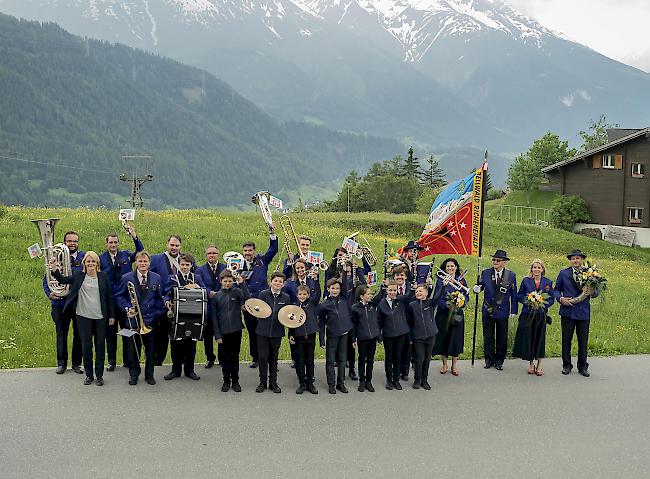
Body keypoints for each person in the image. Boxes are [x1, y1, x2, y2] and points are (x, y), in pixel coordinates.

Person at [49, 252, 115, 386]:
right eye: (88, 261)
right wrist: (54, 268)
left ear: (97, 263)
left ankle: (99, 376)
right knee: (86, 347)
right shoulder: (79, 276)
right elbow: (63, 280)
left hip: (100, 317)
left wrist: (112, 316)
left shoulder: (103, 277)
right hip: (83, 316)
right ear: (84, 263)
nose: (90, 264)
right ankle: (89, 376)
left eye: (93, 261)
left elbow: (109, 297)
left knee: (100, 347)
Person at [117, 251, 166, 386]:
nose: (142, 264)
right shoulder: (127, 278)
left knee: (150, 350)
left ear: (149, 263)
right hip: (133, 320)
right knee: (133, 349)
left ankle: (149, 375)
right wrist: (127, 308)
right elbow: (119, 296)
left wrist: (156, 313)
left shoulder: (156, 278)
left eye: (145, 261)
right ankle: (134, 374)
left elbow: (160, 299)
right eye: (140, 261)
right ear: (136, 263)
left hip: (149, 320)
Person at [99, 226, 144, 371]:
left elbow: (140, 252)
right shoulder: (101, 258)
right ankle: (111, 361)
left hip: (125, 300)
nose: (113, 245)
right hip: (110, 302)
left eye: (115, 242)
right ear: (106, 244)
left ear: (118, 243)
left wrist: (134, 237)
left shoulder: (126, 255)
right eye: (110, 243)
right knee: (110, 334)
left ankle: (128, 360)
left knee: (128, 332)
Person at [44, 230, 84, 374]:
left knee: (78, 334)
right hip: (59, 303)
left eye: (75, 241)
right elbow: (46, 278)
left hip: (77, 302)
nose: (72, 244)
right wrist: (50, 293)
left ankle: (76, 364)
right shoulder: (54, 256)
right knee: (61, 333)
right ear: (65, 242)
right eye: (69, 241)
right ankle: (61, 363)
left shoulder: (84, 257)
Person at [554, 250, 597, 377]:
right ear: (570, 260)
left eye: (578, 258)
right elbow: (556, 290)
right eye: (573, 258)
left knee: (583, 341)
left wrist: (592, 293)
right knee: (566, 340)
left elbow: (596, 291)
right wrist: (560, 299)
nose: (575, 260)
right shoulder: (563, 273)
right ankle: (566, 365)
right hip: (567, 312)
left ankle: (582, 366)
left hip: (583, 312)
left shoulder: (590, 273)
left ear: (582, 259)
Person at [474, 249, 518, 371]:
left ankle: (499, 361)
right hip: (488, 309)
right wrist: (476, 288)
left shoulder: (511, 275)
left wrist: (514, 311)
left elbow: (513, 294)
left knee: (501, 337)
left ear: (504, 262)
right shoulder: (486, 272)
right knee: (488, 336)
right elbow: (481, 285)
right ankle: (488, 360)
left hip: (502, 311)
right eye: (493, 259)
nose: (495, 262)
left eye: (498, 260)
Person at [164, 253, 205, 381]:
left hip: (194, 314)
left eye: (187, 265)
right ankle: (175, 370)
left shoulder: (196, 277)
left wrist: (197, 286)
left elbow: (204, 290)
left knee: (190, 343)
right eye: (182, 264)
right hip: (176, 315)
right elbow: (165, 293)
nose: (184, 267)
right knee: (175, 343)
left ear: (191, 265)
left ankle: (189, 370)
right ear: (179, 265)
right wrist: (167, 301)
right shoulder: (172, 278)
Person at [241, 229, 278, 369]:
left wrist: (272, 233)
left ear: (254, 251)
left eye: (250, 250)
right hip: (248, 305)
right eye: (245, 250)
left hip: (264, 303)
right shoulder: (237, 264)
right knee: (252, 332)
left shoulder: (262, 260)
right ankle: (255, 358)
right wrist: (241, 304)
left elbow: (273, 249)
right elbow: (236, 286)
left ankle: (268, 358)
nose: (247, 253)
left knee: (265, 331)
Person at [513, 259, 555, 376]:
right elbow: (520, 295)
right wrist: (529, 301)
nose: (536, 269)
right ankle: (531, 363)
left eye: (538, 267)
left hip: (541, 315)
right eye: (534, 267)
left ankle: (540, 364)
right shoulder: (526, 281)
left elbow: (552, 298)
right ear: (531, 269)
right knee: (529, 338)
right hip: (528, 314)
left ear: (542, 269)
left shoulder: (548, 282)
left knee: (540, 338)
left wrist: (543, 303)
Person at [211, 270, 249, 392]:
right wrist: (217, 334)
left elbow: (247, 298)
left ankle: (236, 381)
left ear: (233, 281)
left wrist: (242, 283)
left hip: (236, 330)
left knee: (234, 357)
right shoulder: (217, 296)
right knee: (225, 358)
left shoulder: (237, 292)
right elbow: (214, 318)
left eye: (230, 281)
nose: (227, 283)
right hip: (223, 333)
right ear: (221, 281)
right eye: (225, 281)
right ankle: (226, 381)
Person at [149, 234, 183, 365]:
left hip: (180, 306)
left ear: (180, 247)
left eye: (177, 245)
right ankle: (157, 364)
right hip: (161, 307)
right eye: (172, 245)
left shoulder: (185, 260)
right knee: (160, 338)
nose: (174, 248)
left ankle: (178, 366)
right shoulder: (156, 259)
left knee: (178, 337)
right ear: (167, 244)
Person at [432, 258, 468, 376]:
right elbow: (437, 296)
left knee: (455, 340)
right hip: (443, 313)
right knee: (443, 338)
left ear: (456, 267)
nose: (450, 268)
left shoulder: (461, 281)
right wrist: (448, 306)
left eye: (452, 266)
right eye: (448, 266)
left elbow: (466, 297)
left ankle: (454, 365)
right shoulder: (440, 280)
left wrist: (460, 304)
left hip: (457, 314)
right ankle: (444, 364)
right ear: (444, 268)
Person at [318, 278, 354, 394]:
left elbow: (344, 285)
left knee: (342, 360)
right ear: (328, 289)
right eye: (333, 288)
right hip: (332, 335)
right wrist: (322, 339)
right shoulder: (324, 304)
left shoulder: (344, 298)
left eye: (337, 288)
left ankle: (341, 383)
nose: (335, 290)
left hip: (344, 334)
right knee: (330, 361)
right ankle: (331, 384)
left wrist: (343, 267)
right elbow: (322, 322)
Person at [255, 272, 288, 393]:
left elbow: (287, 314)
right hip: (262, 331)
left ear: (283, 284)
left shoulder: (286, 297)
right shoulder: (263, 294)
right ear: (271, 282)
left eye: (280, 282)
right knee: (263, 358)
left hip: (277, 332)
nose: (277, 283)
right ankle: (262, 382)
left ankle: (273, 382)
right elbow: (257, 310)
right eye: (275, 281)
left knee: (274, 358)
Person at [195, 245, 226, 368]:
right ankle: (210, 358)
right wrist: (209, 293)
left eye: (214, 253)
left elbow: (229, 283)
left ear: (218, 254)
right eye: (209, 253)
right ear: (206, 255)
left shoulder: (225, 267)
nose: (212, 255)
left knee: (222, 334)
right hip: (207, 307)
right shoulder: (200, 270)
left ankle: (222, 358)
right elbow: (199, 285)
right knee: (208, 336)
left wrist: (221, 294)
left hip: (222, 307)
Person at [376, 280, 410, 390]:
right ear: (386, 290)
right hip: (388, 335)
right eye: (390, 290)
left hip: (400, 334)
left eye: (394, 290)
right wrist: (379, 335)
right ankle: (389, 379)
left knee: (398, 357)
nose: (392, 292)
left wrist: (414, 288)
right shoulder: (382, 303)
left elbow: (410, 296)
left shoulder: (400, 300)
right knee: (389, 357)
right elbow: (379, 321)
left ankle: (396, 379)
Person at [288, 284, 319, 394]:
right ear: (296, 295)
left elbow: (318, 294)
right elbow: (290, 322)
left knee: (310, 360)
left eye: (305, 294)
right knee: (300, 360)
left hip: (310, 335)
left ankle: (310, 383)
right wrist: (290, 335)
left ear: (308, 295)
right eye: (300, 294)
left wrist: (315, 280)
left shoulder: (311, 303)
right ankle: (302, 383)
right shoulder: (294, 306)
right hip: (298, 336)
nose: (302, 296)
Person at [406, 284, 438, 390]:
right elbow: (409, 322)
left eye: (420, 291)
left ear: (426, 293)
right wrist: (410, 337)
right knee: (419, 359)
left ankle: (424, 380)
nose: (418, 293)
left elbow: (438, 296)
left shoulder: (430, 303)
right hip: (418, 337)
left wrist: (443, 286)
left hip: (430, 335)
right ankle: (417, 379)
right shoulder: (412, 305)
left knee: (427, 359)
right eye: (416, 292)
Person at [350, 285, 381, 392]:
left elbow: (380, 296)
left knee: (371, 360)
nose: (371, 295)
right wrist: (353, 339)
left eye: (371, 294)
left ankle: (369, 381)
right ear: (361, 296)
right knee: (362, 359)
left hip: (373, 337)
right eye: (368, 294)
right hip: (362, 338)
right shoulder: (355, 308)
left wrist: (384, 286)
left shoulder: (372, 305)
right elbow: (353, 325)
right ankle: (362, 381)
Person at [393, 265, 415, 381]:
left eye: (402, 275)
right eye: (397, 275)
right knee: (397, 348)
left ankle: (405, 371)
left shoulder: (411, 287)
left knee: (407, 347)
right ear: (394, 277)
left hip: (409, 321)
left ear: (406, 277)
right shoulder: (391, 288)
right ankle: (395, 369)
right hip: (395, 322)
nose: (400, 277)